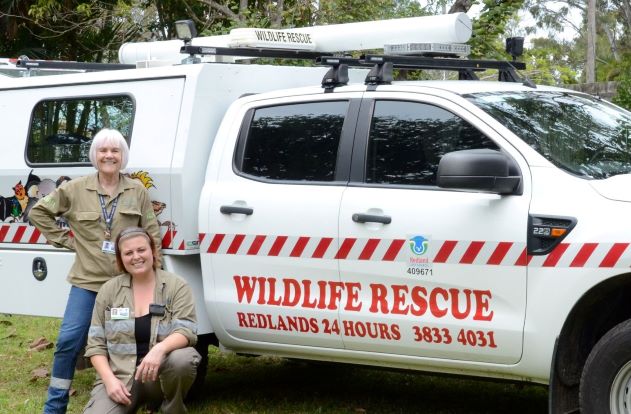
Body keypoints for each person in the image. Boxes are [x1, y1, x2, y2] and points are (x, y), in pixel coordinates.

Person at [29, 128, 161, 414]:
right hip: (86, 284)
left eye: (115, 151)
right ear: (95, 155)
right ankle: (55, 406)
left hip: (124, 286)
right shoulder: (76, 188)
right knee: (68, 341)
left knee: (125, 340)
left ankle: (132, 397)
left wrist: (154, 276)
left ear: (122, 157)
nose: (109, 155)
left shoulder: (136, 190)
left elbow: (152, 234)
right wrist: (65, 240)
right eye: (103, 150)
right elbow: (38, 212)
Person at [83, 227, 200, 414]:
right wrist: (109, 380)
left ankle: (171, 407)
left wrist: (159, 350)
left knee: (183, 358)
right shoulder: (108, 291)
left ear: (152, 251)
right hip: (120, 377)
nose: (136, 257)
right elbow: (95, 345)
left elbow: (186, 332)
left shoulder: (176, 286)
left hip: (159, 375)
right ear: (121, 258)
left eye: (141, 250)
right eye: (128, 253)